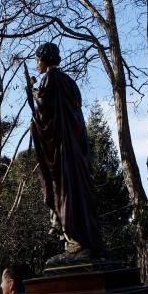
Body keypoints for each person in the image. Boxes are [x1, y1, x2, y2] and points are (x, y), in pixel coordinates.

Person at [29, 41, 102, 260]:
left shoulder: (50, 79)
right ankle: (81, 241)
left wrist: (33, 90)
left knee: (65, 193)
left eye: (37, 60)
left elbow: (45, 110)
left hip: (62, 152)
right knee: (76, 192)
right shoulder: (69, 82)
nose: (36, 64)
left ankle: (76, 243)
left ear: (44, 59)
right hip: (76, 150)